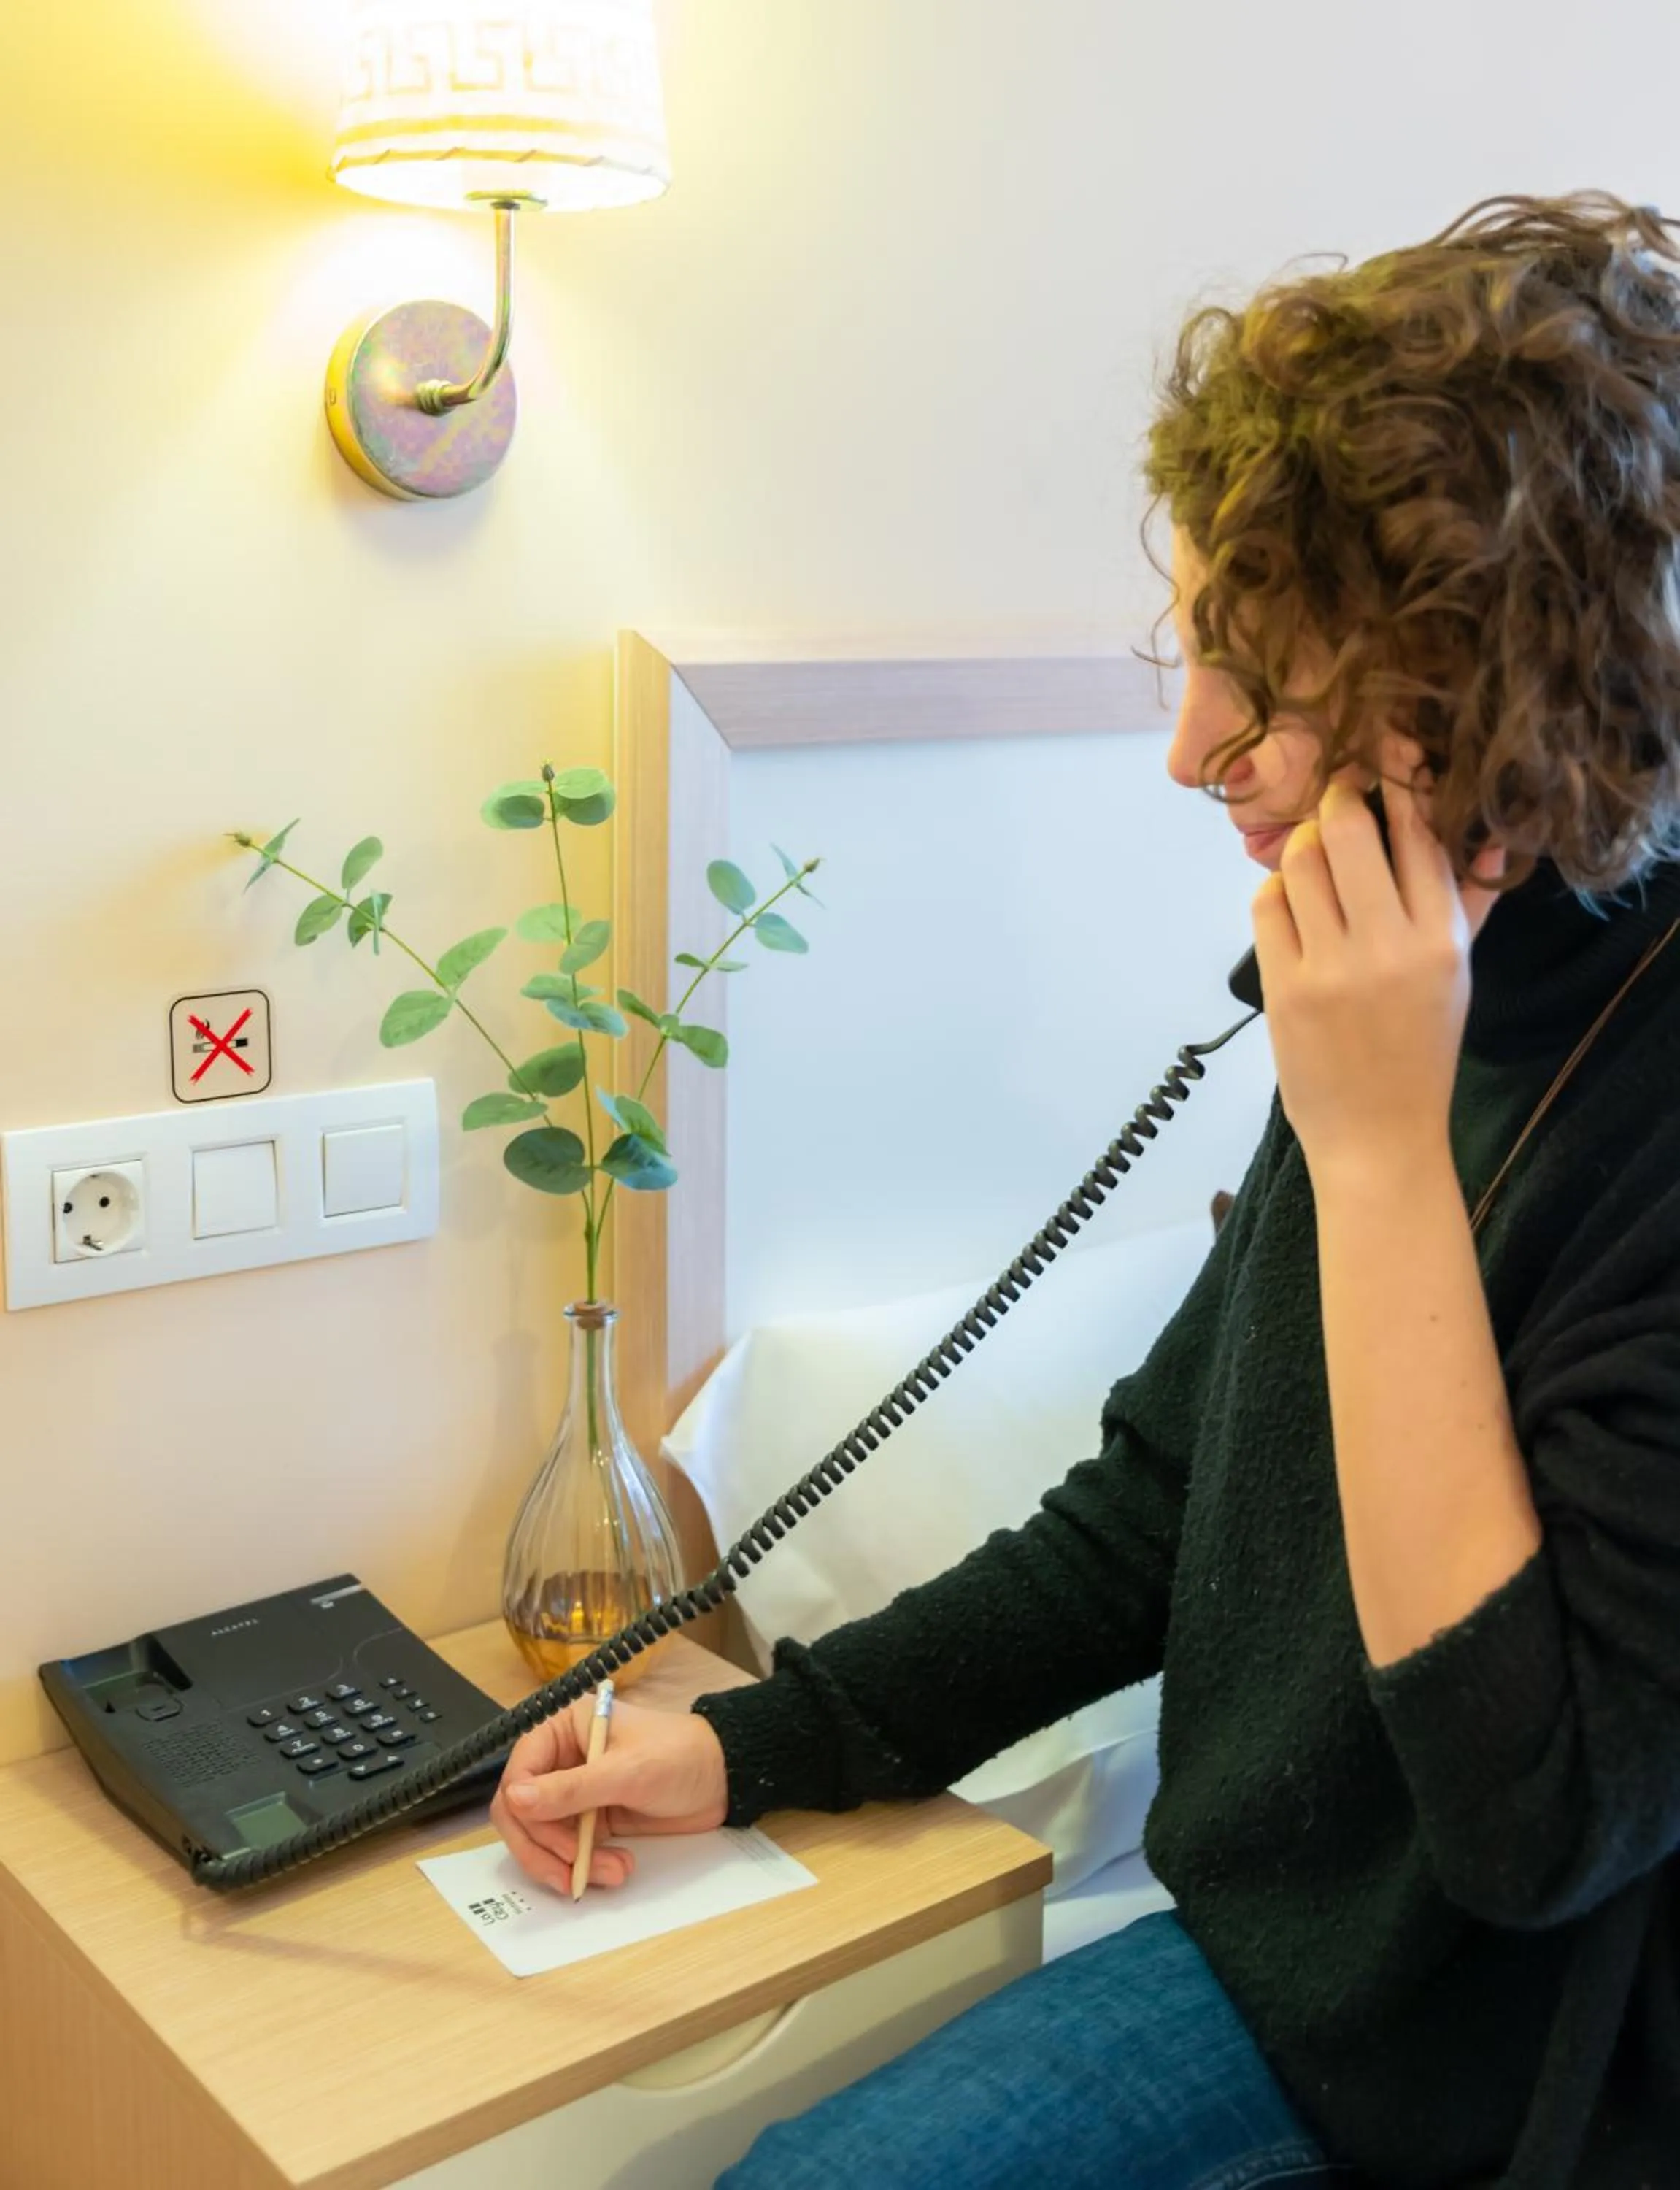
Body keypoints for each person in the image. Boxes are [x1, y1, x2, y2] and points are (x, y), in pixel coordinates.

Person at [490, 193, 1680, 2189]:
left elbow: (1531, 1831)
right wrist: (753, 1745)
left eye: (1256, 678)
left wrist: (1379, 1151)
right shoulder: (1397, 985)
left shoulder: (1499, 1069)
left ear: (1482, 699)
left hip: (1536, 2088)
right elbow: (1163, 1515)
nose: (1189, 746)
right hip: (1278, 1966)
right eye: (1192, 652)